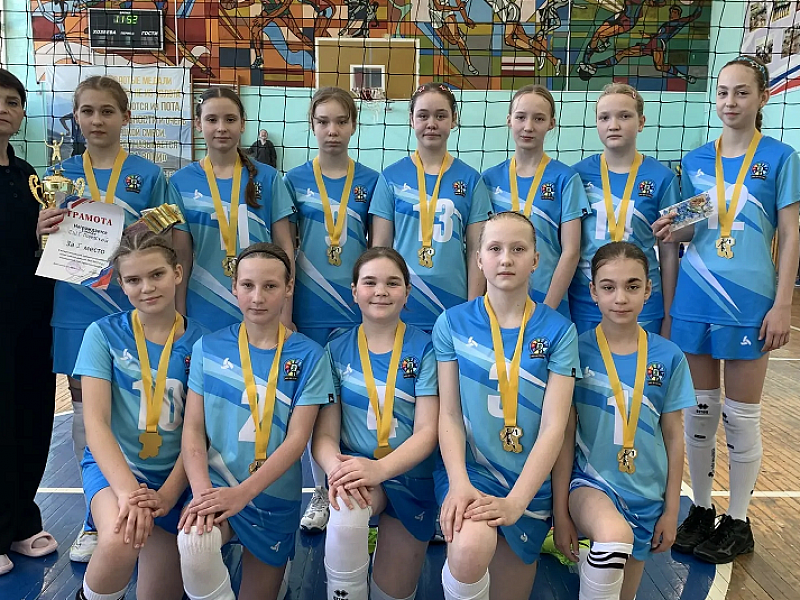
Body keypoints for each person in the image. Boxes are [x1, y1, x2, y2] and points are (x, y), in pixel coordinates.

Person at [652, 55, 800, 564]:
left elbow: (790, 234)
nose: (730, 101)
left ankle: (738, 520)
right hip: (695, 295)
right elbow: (694, 227)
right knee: (699, 410)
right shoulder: (695, 160)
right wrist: (671, 227)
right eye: (722, 92)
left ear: (762, 97)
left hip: (751, 301)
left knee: (740, 415)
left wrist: (783, 304)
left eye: (741, 92)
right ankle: (700, 508)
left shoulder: (780, 158)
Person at [36, 74, 178, 563]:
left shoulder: (149, 174)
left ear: (125, 117)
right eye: (87, 111)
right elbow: (43, 248)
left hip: (134, 310)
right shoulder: (57, 175)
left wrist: (142, 234)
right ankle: (94, 519)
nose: (96, 120)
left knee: (139, 409)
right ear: (76, 117)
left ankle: (148, 503)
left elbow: (167, 241)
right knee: (87, 416)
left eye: (107, 111)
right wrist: (40, 228)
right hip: (76, 312)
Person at [433, 212, 578, 600]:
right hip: (472, 472)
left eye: (518, 249)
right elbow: (448, 414)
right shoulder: (451, 323)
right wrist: (459, 483)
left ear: (535, 259)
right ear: (479, 259)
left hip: (527, 482)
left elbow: (554, 427)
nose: (506, 259)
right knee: (468, 550)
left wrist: (517, 501)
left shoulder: (559, 331)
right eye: (495, 249)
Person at [178, 243, 335, 600]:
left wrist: (243, 494)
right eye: (247, 285)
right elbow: (193, 431)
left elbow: (297, 440)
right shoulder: (208, 347)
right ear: (234, 286)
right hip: (216, 484)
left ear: (289, 288)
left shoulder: (310, 355)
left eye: (270, 286)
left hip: (272, 494)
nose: (258, 297)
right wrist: (202, 494)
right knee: (194, 541)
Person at [553, 241, 694, 600]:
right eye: (608, 287)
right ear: (593, 292)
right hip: (590, 484)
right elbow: (564, 434)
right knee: (614, 538)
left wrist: (671, 509)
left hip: (646, 495)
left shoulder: (669, 356)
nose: (620, 298)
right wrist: (560, 513)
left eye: (632, 286)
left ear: (648, 290)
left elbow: (674, 435)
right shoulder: (574, 351)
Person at [71, 231, 204, 600]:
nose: (147, 288)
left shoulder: (204, 344)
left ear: (177, 273)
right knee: (120, 536)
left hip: (175, 476)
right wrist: (130, 493)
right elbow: (96, 424)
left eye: (156, 274)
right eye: (133, 280)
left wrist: (168, 494)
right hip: (116, 470)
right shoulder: (102, 335)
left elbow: (199, 433)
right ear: (121, 284)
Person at [313, 247, 439, 600]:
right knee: (345, 517)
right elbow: (324, 435)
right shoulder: (335, 350)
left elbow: (428, 432)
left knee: (393, 595)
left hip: (410, 477)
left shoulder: (426, 349)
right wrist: (338, 470)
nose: (381, 291)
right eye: (370, 282)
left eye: (392, 283)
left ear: (407, 292)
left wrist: (379, 469)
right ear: (354, 291)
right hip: (357, 471)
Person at [284, 87, 380, 533]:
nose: (332, 130)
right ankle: (322, 491)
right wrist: (286, 314)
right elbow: (286, 251)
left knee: (352, 404)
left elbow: (379, 252)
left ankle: (355, 488)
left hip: (355, 312)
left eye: (341, 121)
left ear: (353, 125)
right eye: (323, 121)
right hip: (308, 311)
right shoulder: (292, 181)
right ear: (312, 125)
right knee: (313, 403)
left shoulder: (372, 182)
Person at [370, 82, 492, 333]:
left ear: (454, 120)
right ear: (411, 120)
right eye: (423, 115)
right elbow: (380, 250)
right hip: (402, 304)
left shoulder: (471, 180)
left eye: (441, 115)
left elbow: (477, 252)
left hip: (454, 303)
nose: (431, 123)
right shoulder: (390, 178)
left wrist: (472, 307)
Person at [171, 87, 295, 331]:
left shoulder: (268, 177)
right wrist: (179, 316)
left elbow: (285, 248)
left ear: (242, 124)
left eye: (230, 119)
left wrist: (285, 314)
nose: (221, 128)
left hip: (262, 304)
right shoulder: (180, 182)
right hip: (204, 307)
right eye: (211, 119)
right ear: (198, 124)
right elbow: (181, 257)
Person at [0, 68, 58, 577]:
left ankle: (21, 520)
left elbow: (42, 246)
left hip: (33, 318)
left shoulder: (29, 175)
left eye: (12, 101)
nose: (3, 108)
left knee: (32, 416)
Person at [570, 83, 680, 337]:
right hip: (586, 302)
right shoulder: (576, 175)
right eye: (604, 117)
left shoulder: (662, 178)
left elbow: (669, 253)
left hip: (643, 304)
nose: (614, 125)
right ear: (596, 123)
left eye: (624, 116)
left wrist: (668, 314)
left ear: (641, 122)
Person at [482, 84, 589, 318]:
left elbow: (571, 251)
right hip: (498, 306)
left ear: (551, 123)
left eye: (539, 119)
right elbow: (481, 249)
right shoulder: (489, 180)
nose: (528, 127)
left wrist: (547, 311)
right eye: (521, 117)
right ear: (509, 120)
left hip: (549, 302)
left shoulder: (565, 179)